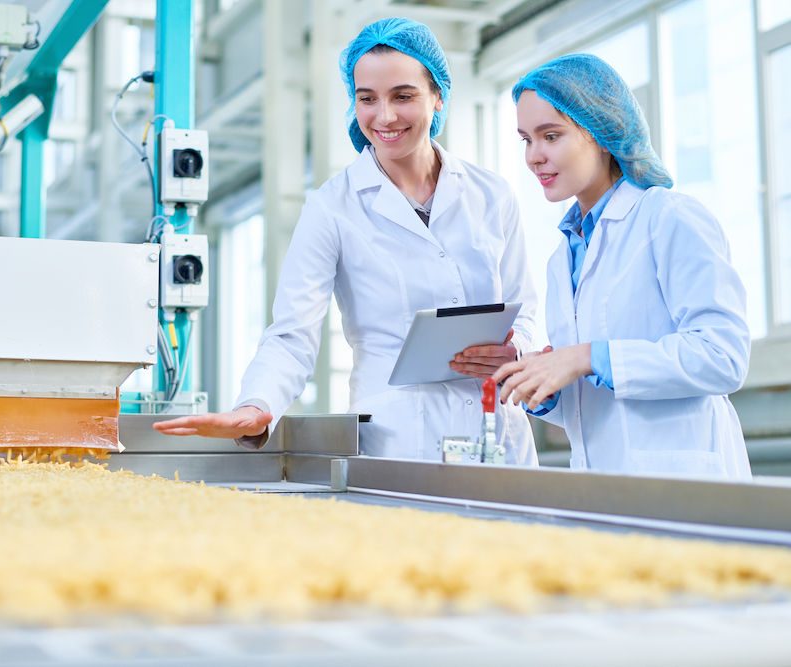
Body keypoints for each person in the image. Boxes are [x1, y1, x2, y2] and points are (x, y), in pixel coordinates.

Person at [154, 17, 538, 464]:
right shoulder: (332, 207)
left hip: (499, 433)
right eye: (367, 99)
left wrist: (517, 349)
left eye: (403, 96)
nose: (385, 116)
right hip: (400, 444)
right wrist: (256, 404)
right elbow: (292, 333)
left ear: (438, 96)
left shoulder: (491, 194)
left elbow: (526, 308)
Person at [471, 53, 751, 478]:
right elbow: (593, 409)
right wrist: (541, 386)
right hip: (602, 486)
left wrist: (586, 357)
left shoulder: (668, 217)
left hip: (687, 482)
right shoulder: (562, 257)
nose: (534, 156)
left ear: (602, 132)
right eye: (526, 139)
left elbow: (722, 357)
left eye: (551, 136)